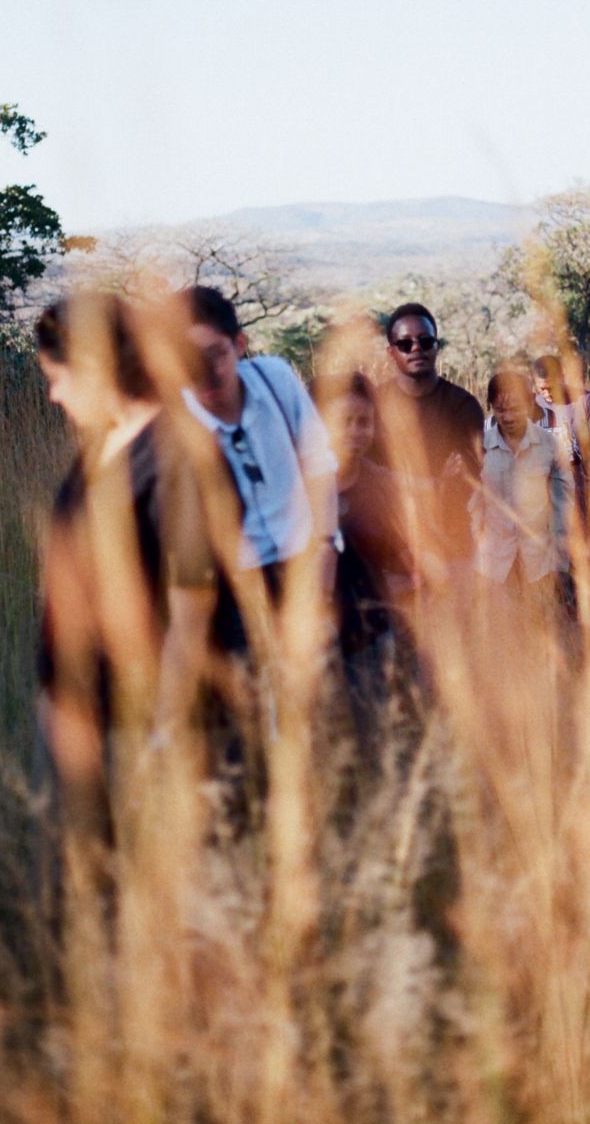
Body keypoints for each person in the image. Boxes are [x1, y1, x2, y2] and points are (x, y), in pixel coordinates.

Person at [34, 292, 220, 850]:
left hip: (131, 728)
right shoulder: (102, 447)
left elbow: (193, 612)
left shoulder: (179, 458)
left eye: (59, 376)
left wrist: (160, 740)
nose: (54, 393)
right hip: (80, 721)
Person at [176, 285, 339, 653]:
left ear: (239, 344)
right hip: (232, 591)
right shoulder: (173, 425)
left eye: (215, 354)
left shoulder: (275, 380)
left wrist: (325, 558)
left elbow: (319, 464)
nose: (205, 373)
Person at [310, 371, 414, 738]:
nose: (355, 431)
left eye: (364, 422)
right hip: (313, 638)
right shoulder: (298, 485)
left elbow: (403, 561)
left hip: (370, 635)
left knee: (375, 735)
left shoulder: (382, 484)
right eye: (344, 422)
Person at [374, 303, 484, 582]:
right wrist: (433, 483)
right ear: (391, 351)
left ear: (436, 345)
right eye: (405, 344)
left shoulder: (463, 406)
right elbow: (366, 480)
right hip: (388, 548)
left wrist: (391, 480)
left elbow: (464, 482)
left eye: (425, 341)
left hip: (451, 546)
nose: (416, 349)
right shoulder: (373, 406)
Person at [472, 368, 572, 600]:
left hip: (539, 565)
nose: (507, 417)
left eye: (515, 409)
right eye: (500, 409)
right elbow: (473, 507)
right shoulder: (480, 447)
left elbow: (562, 510)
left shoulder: (551, 446)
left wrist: (561, 565)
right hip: (493, 567)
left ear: (529, 405)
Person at [531, 354, 590, 515]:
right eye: (542, 389)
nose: (547, 394)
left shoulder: (586, 400)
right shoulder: (531, 405)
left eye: (551, 387)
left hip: (581, 489)